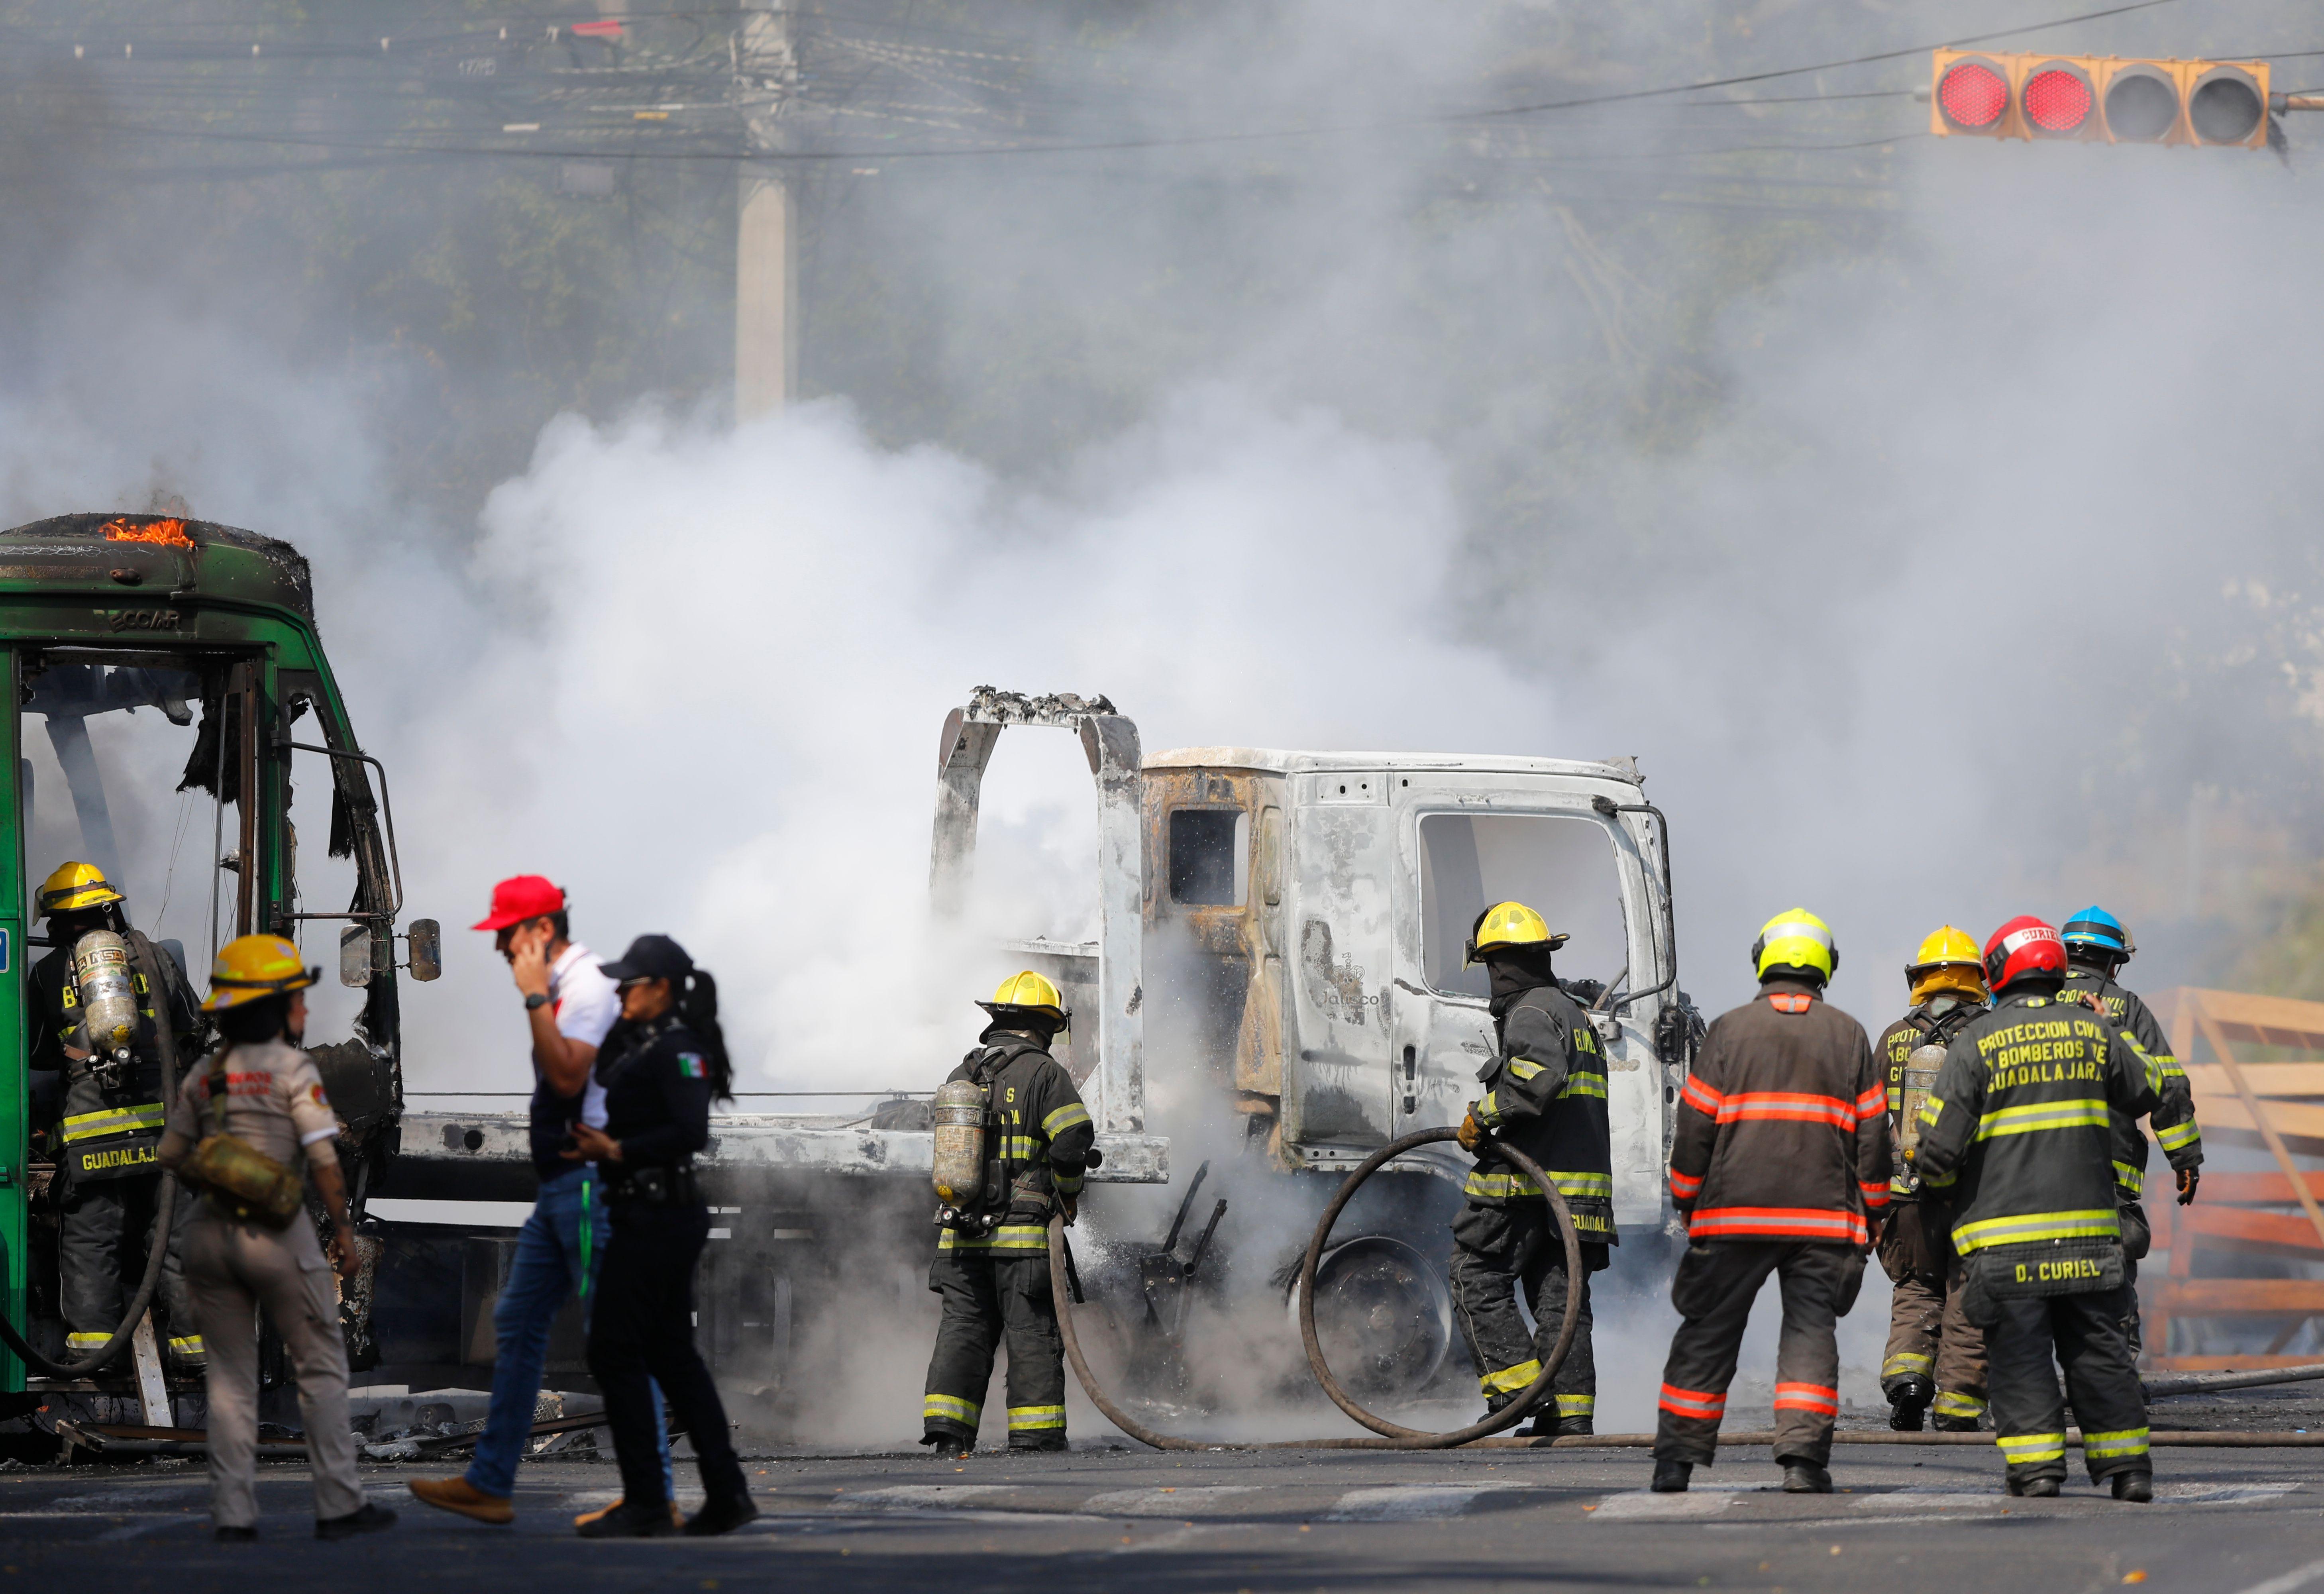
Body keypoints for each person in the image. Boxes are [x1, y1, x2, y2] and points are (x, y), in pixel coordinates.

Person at [409, 876, 671, 1529]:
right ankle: (491, 1482)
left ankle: (651, 1494)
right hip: (563, 1190)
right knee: (518, 1322)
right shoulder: (567, 991)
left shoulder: (582, 989)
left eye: (507, 935)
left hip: (589, 1192)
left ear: (543, 931)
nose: (500, 948)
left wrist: (531, 998)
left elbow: (565, 1074)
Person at [156, 934, 396, 1541]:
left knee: (231, 1379)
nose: (304, 1009)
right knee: (319, 1366)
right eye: (295, 996)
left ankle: (234, 1514)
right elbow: (322, 1161)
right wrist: (341, 1233)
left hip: (210, 1237)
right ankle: (339, 1505)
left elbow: (172, 1154)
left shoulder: (205, 1075)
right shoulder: (292, 1071)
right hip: (276, 1236)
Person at [1915, 915, 2162, 1501]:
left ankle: (2038, 1471)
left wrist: (1948, 1186)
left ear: (1999, 972)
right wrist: (2112, 1032)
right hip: (2089, 1240)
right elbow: (2150, 1090)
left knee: (2021, 1358)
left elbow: (1936, 1154)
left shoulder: (1976, 1043)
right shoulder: (2095, 1033)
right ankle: (2129, 1471)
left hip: (2006, 1249)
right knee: (2100, 1353)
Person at [1651, 909, 1888, 1496]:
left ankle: (1676, 1462)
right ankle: (1803, 1462)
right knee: (1810, 1335)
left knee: (1707, 1333)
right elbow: (1874, 1137)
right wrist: (1875, 1211)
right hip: (1822, 1222)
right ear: (1825, 966)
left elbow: (1695, 1125)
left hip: (1734, 1217)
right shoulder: (1849, 1035)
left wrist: (1685, 1196)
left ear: (1764, 961)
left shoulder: (1730, 1032)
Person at [571, 934, 757, 1538]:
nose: (621, 992)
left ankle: (650, 1499)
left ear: (663, 990)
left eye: (632, 984)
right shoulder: (642, 1043)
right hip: (643, 1214)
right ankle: (725, 1494)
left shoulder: (680, 1049)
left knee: (614, 1349)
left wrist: (618, 1149)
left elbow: (690, 1130)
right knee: (673, 1358)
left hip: (660, 1216)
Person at [31, 861, 207, 1369]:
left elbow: (40, 1053)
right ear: (111, 908)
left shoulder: (47, 972)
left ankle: (94, 1351)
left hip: (91, 1133)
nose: (49, 931)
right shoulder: (158, 959)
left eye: (54, 922)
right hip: (164, 1131)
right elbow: (192, 1025)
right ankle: (196, 1351)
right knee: (175, 1238)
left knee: (91, 1241)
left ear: (65, 922)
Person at [1448, 901, 1611, 1439]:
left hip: (1529, 1188)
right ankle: (1569, 1415)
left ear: (1498, 964)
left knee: (1475, 1276)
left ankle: (1515, 1393)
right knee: (1559, 1306)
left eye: (1492, 967)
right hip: (1578, 1197)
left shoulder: (1531, 1012)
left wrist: (1482, 1115)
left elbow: (1536, 1081)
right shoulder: (1574, 1012)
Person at [921, 972, 1095, 1459]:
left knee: (963, 1331)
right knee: (1032, 1335)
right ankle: (1036, 1438)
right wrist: (1067, 1193)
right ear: (1047, 1025)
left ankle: (949, 1433)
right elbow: (1073, 1139)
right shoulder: (1044, 1073)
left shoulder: (963, 1074)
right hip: (1020, 1243)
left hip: (958, 1239)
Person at [2059, 905, 2202, 1354]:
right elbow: (2167, 1086)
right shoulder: (2125, 1007)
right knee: (2111, 1288)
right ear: (2112, 961)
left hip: (2024, 1177)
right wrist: (2185, 1159)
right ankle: (2115, 1382)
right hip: (2109, 1179)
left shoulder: (2027, 1003)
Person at [1873, 927, 1991, 1433]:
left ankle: (1908, 1383)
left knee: (1917, 1288)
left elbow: (1872, 1122)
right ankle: (1959, 1404)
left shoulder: (1894, 1038)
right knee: (1965, 1293)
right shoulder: (1993, 1033)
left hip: (1908, 1200)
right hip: (1974, 1197)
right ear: (1977, 978)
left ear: (1919, 980)